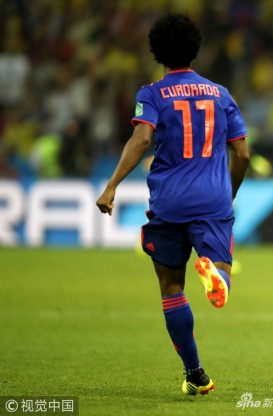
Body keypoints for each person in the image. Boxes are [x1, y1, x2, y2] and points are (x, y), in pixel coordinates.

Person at [96, 13, 250, 396]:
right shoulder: (220, 93)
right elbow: (243, 154)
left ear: (156, 52)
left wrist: (112, 185)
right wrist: (227, 193)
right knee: (221, 267)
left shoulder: (152, 94)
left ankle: (194, 372)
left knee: (171, 288)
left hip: (168, 202)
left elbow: (142, 140)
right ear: (195, 50)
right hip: (212, 199)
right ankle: (217, 276)